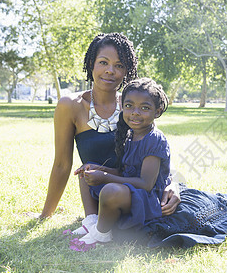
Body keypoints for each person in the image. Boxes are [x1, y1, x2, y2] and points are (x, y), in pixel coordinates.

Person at [39, 33, 180, 224]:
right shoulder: (70, 105)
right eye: (103, 62)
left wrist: (174, 185)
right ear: (91, 64)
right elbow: (62, 165)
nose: (110, 70)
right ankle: (91, 222)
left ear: (127, 71)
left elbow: (156, 150)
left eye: (119, 65)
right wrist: (45, 215)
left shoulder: (133, 105)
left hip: (137, 192)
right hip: (102, 195)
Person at [69, 78, 171, 251]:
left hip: (148, 199)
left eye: (145, 108)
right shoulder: (130, 134)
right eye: (129, 106)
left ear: (157, 111)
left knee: (110, 189)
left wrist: (106, 178)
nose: (135, 112)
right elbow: (124, 171)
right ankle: (92, 221)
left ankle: (102, 234)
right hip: (132, 190)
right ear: (122, 106)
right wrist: (100, 170)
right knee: (87, 169)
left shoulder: (154, 139)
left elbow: (146, 184)